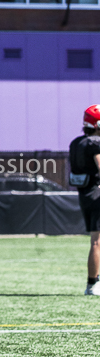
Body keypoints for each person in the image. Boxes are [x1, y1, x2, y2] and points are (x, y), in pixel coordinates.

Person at [69, 105, 100, 296]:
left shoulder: (76, 143)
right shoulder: (95, 143)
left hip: (85, 194)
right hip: (97, 194)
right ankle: (92, 284)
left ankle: (93, 283)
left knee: (96, 241)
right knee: (96, 242)